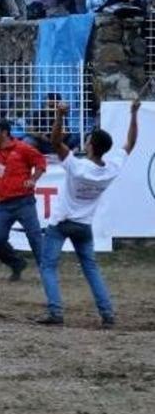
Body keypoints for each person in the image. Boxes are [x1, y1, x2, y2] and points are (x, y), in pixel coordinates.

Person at [35, 100, 138, 328]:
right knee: (91, 269)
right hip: (84, 225)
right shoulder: (111, 168)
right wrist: (134, 114)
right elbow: (130, 143)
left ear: (90, 145)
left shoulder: (77, 166)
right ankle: (107, 313)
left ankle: (56, 311)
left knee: (48, 266)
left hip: (61, 221)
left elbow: (55, 142)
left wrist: (60, 116)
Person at [0, 119, 46, 282]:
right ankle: (17, 263)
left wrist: (33, 179)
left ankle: (46, 272)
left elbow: (41, 163)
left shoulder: (23, 148)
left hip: (24, 201)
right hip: (3, 203)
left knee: (34, 238)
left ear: (4, 133)